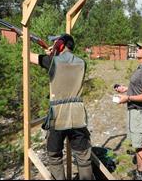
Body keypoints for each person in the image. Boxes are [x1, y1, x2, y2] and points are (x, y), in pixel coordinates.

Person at [29, 33, 94, 180]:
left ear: (61, 45)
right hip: (78, 115)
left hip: (58, 116)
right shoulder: (82, 62)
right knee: (83, 157)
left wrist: (25, 39)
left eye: (56, 42)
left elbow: (26, 56)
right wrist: (53, 54)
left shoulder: (52, 61)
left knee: (54, 155)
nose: (54, 44)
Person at [114, 42, 142, 180]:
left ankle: (141, 175)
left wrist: (128, 98)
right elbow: (139, 88)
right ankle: (140, 172)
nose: (137, 49)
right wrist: (125, 89)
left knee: (139, 146)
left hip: (139, 112)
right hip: (134, 111)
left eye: (140, 48)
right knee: (137, 144)